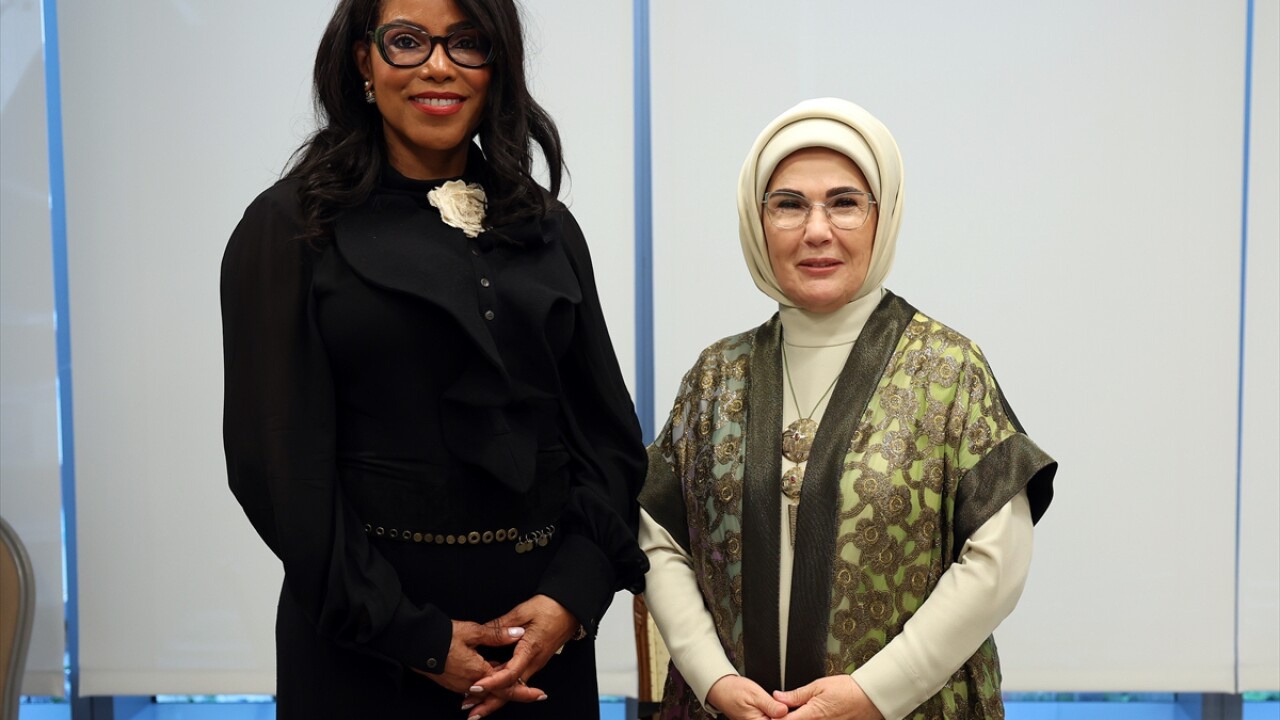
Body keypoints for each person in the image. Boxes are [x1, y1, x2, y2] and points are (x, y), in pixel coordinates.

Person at [219, 0, 648, 717]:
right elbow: (277, 470)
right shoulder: (290, 228)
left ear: (497, 63)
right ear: (363, 59)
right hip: (363, 653)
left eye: (467, 42)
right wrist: (413, 636)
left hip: (539, 652)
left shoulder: (548, 227)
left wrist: (571, 596)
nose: (439, 66)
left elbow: (606, 442)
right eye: (408, 41)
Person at [639, 98, 1056, 720]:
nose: (816, 230)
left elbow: (997, 560)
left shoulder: (948, 371)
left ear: (881, 217)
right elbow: (660, 541)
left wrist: (874, 694)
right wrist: (712, 677)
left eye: (844, 202)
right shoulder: (715, 376)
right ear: (757, 221)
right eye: (789, 204)